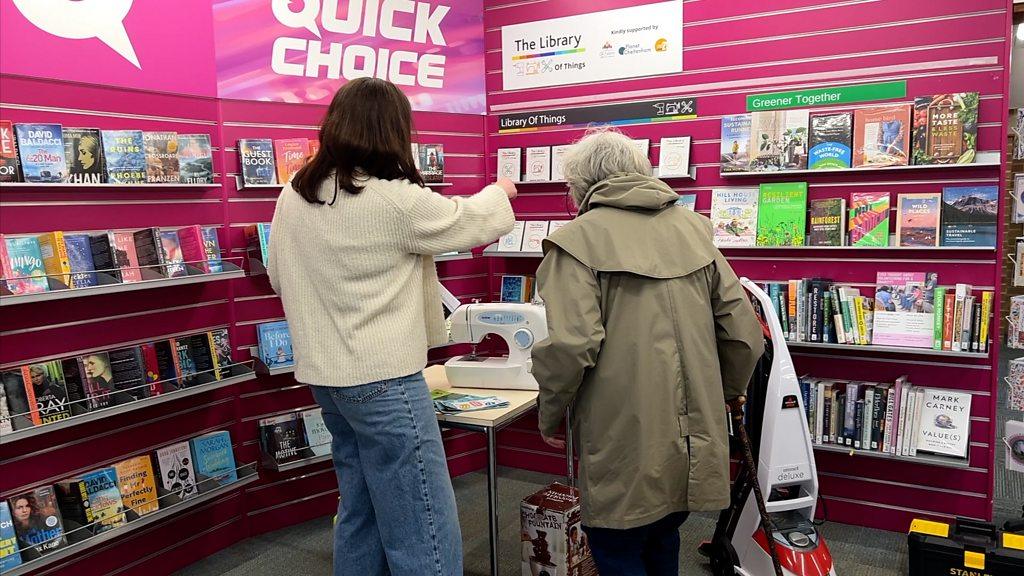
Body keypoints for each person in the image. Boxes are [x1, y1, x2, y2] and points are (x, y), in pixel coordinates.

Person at [266, 77, 516, 576]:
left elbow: (279, 275)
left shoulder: (293, 196)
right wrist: (500, 189)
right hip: (384, 381)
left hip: (327, 378)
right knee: (422, 514)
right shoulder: (393, 198)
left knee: (359, 504)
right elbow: (473, 221)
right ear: (393, 131)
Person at [531, 127, 764, 576]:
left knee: (618, 547)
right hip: (694, 436)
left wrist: (549, 410)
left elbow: (572, 344)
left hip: (622, 434)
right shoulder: (694, 231)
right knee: (664, 535)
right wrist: (727, 394)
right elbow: (743, 334)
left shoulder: (576, 242)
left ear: (579, 185)